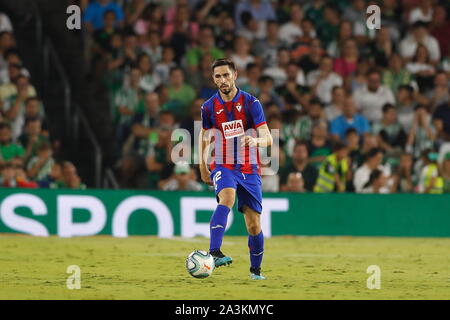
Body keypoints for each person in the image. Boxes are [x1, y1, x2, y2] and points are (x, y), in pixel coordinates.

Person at [199, 58, 273, 280]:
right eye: (218, 76)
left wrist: (256, 142)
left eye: (226, 75)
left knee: (253, 226)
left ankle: (255, 271)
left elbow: (268, 138)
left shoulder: (252, 103)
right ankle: (214, 252)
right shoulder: (208, 107)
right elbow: (204, 137)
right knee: (228, 198)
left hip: (249, 168)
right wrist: (203, 167)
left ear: (235, 75)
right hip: (223, 162)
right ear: (213, 80)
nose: (222, 80)